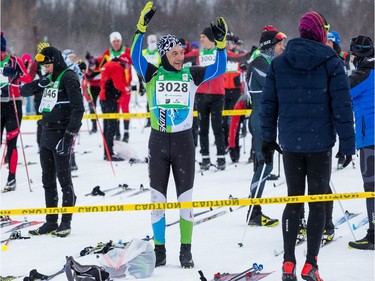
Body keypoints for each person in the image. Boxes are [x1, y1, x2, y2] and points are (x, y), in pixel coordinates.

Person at [131, 1, 227, 268]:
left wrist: (221, 45)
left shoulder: (191, 74)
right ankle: (160, 249)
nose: (179, 56)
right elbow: (135, 57)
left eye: (181, 52)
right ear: (163, 54)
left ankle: (186, 249)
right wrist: (141, 28)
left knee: (185, 200)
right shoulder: (152, 73)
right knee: (157, 200)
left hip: (184, 142)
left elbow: (219, 70)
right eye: (174, 53)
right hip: (159, 141)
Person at [260, 12, 355, 281]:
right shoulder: (331, 61)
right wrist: (348, 144)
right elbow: (342, 106)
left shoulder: (279, 63)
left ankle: (288, 262)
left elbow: (268, 105)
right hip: (320, 143)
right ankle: (310, 264)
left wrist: (267, 138)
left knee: (293, 200)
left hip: (291, 143)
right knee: (316, 202)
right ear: (320, 33)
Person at [21, 46, 84, 238]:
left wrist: (69, 136)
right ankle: (50, 220)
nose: (45, 69)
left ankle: (66, 221)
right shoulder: (47, 79)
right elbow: (24, 91)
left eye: (47, 65)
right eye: (43, 66)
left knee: (64, 179)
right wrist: (41, 83)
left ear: (54, 62)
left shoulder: (68, 77)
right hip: (46, 133)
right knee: (47, 179)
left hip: (61, 134)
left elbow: (78, 109)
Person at [246, 28, 286, 227]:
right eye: (279, 45)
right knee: (265, 165)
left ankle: (255, 210)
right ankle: (254, 211)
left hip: (267, 119)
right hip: (260, 120)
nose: (282, 48)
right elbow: (277, 84)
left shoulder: (270, 62)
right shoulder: (258, 63)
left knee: (264, 165)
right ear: (270, 46)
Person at [184, 26, 227, 170]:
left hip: (217, 94)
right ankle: (205, 158)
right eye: (200, 37)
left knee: (217, 127)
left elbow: (236, 56)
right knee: (202, 128)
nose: (201, 39)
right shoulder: (198, 52)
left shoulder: (220, 52)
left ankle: (221, 158)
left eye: (204, 37)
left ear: (211, 40)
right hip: (201, 94)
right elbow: (181, 58)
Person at [347, 35, 374, 250]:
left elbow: (341, 92)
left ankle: (373, 236)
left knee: (371, 188)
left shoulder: (363, 74)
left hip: (370, 140)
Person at [1, 31, 32, 192]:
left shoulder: (14, 61)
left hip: (13, 105)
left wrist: (15, 74)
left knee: (11, 142)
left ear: (4, 50)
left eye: (1, 51)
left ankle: (11, 178)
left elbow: (28, 78)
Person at [99, 53, 132, 160]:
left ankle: (107, 152)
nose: (128, 68)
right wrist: (127, 89)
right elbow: (117, 83)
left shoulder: (110, 64)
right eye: (128, 65)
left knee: (107, 126)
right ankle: (109, 153)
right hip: (110, 100)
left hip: (105, 99)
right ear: (124, 62)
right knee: (111, 127)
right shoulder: (116, 66)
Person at [100, 31, 132, 141]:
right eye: (114, 41)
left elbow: (134, 65)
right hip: (113, 88)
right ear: (111, 42)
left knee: (125, 108)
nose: (116, 43)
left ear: (121, 41)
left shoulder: (127, 51)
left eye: (118, 41)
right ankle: (117, 132)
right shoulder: (107, 53)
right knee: (116, 110)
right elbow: (102, 68)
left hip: (126, 84)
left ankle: (126, 133)